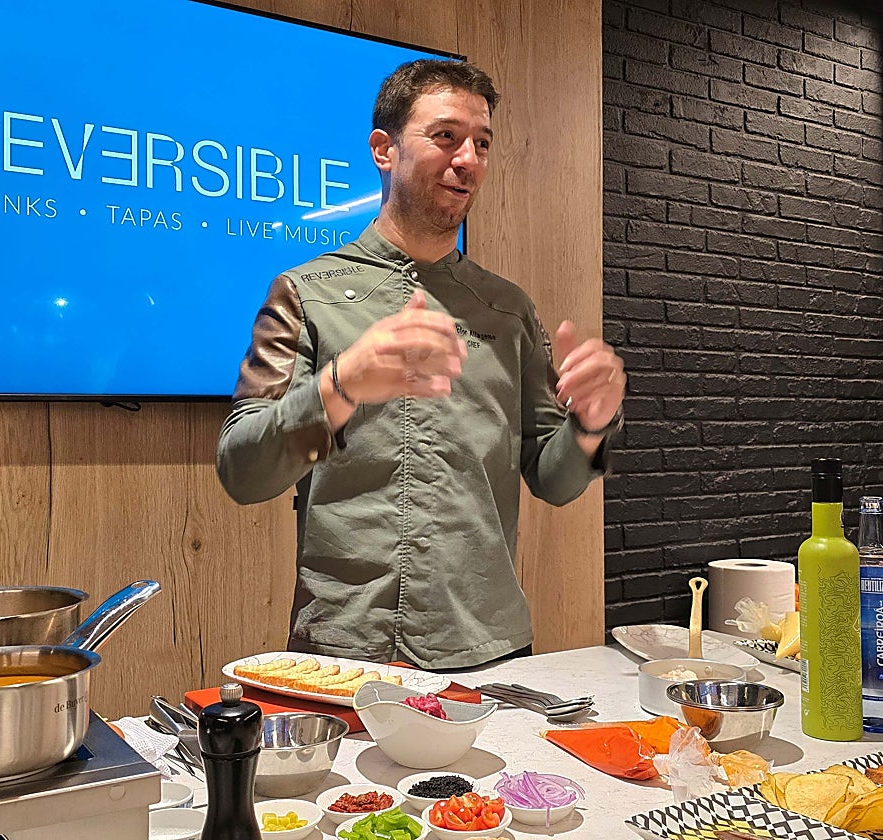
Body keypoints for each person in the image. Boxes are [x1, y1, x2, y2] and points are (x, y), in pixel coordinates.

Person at [216, 59, 626, 670]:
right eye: (446, 137)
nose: (469, 159)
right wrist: (341, 385)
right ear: (384, 149)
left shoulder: (508, 310)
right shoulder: (305, 294)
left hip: (489, 654)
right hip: (344, 651)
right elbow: (241, 471)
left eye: (482, 144)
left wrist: (591, 425)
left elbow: (553, 480)